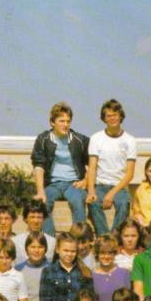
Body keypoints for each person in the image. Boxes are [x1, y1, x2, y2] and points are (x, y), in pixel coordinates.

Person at [31, 101, 89, 235]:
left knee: (78, 202)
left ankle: (79, 240)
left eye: (68, 121)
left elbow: (93, 163)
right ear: (52, 122)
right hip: (52, 183)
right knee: (42, 204)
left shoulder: (80, 140)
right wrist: (40, 191)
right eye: (61, 121)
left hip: (73, 183)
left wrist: (85, 181)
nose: (66, 125)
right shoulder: (43, 139)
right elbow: (38, 166)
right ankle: (49, 240)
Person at [86, 98, 136, 234]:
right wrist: (91, 190)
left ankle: (115, 238)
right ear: (104, 118)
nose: (112, 118)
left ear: (120, 116)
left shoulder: (130, 140)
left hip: (119, 186)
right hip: (100, 185)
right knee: (93, 203)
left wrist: (112, 193)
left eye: (115, 114)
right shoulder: (96, 138)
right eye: (108, 115)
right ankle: (104, 239)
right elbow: (92, 167)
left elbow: (130, 173)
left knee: (123, 204)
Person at [39, 232, 93, 301]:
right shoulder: (48, 271)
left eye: (73, 251)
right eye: (66, 250)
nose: (69, 254)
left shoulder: (85, 272)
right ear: (57, 250)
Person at [91, 234, 131, 301]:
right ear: (97, 254)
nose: (106, 256)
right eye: (102, 253)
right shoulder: (91, 277)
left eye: (110, 253)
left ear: (115, 254)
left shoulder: (125, 273)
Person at [13, 199, 55, 264]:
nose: (36, 221)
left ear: (44, 219)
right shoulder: (15, 242)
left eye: (39, 217)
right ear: (25, 219)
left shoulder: (52, 242)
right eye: (32, 217)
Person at [15, 232, 49, 301]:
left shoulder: (51, 269)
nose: (36, 251)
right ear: (26, 249)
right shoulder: (18, 269)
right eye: (33, 247)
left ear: (45, 249)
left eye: (40, 247)